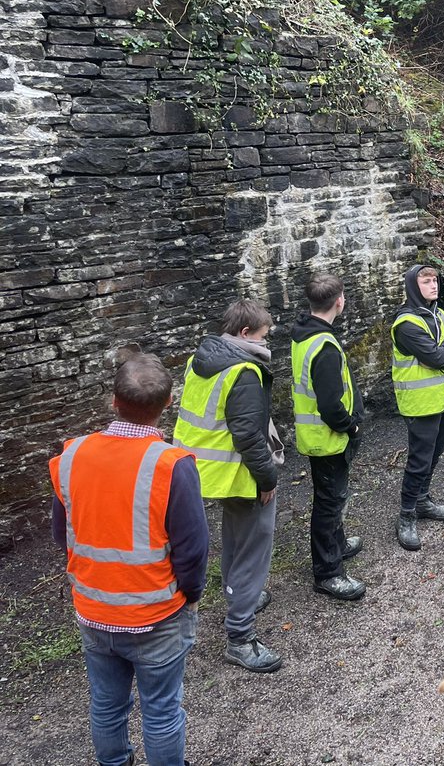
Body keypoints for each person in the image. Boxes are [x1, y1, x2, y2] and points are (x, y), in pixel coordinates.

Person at [50, 353, 208, 766]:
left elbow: (61, 534)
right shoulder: (172, 464)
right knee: (160, 711)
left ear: (112, 400)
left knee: (106, 704)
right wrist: (189, 595)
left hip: (93, 609)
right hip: (155, 614)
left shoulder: (71, 455)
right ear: (169, 402)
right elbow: (192, 550)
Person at [174, 299, 285, 674]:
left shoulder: (200, 360)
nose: (266, 340)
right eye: (263, 334)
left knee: (234, 540)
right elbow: (249, 437)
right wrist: (267, 477)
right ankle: (240, 636)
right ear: (244, 334)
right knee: (252, 549)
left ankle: (241, 598)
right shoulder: (244, 372)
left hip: (198, 469)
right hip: (239, 474)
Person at [290, 274, 366, 601]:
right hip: (328, 439)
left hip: (319, 437)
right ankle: (328, 572)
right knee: (328, 503)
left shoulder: (306, 335)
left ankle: (337, 545)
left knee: (332, 497)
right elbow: (329, 405)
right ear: (340, 301)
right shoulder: (324, 347)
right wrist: (351, 426)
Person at [391, 264, 444, 552]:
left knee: (435, 452)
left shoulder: (439, 314)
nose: (433, 285)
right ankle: (406, 514)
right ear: (413, 286)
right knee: (419, 459)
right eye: (426, 281)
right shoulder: (406, 324)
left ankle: (422, 500)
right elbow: (437, 356)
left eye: (435, 280)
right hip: (420, 402)